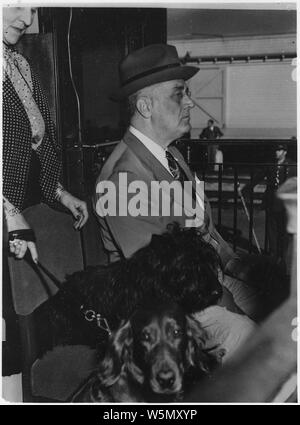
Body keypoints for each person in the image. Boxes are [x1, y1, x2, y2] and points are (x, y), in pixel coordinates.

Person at [94, 43, 285, 322]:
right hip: (167, 308)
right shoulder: (123, 179)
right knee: (262, 340)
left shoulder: (171, 155)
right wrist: (235, 308)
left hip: (208, 280)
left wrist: (237, 264)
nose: (190, 103)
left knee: (283, 298)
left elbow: (201, 229)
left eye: (188, 93)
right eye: (178, 94)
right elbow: (163, 278)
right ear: (146, 106)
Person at [3, 7, 89, 263]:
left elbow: (30, 149)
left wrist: (60, 193)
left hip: (21, 220)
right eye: (16, 5)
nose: (28, 20)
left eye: (32, 9)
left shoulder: (19, 63)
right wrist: (8, 212)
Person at [242, 143, 297, 260]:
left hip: (285, 203)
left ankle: (282, 255)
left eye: (279, 150)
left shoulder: (293, 165)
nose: (276, 152)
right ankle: (273, 254)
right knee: (272, 229)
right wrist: (245, 188)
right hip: (272, 202)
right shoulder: (270, 165)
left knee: (284, 231)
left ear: (285, 152)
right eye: (276, 150)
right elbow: (258, 177)